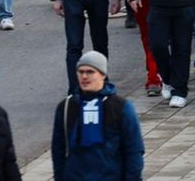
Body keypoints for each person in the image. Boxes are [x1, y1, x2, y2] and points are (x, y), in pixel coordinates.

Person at [51, 51, 145, 180]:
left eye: (90, 72)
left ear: (102, 74)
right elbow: (58, 149)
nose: (84, 76)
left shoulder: (121, 107)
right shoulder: (66, 107)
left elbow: (134, 149)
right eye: (80, 72)